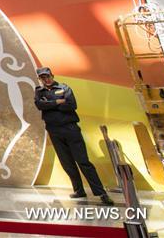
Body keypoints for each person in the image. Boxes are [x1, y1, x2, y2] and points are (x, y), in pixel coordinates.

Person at [34, 67, 114, 205]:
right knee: (67, 163)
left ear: (52, 75)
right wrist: (58, 102)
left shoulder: (64, 88)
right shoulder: (39, 91)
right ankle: (79, 190)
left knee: (83, 162)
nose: (46, 79)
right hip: (54, 131)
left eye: (48, 76)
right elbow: (39, 105)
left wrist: (49, 104)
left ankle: (101, 193)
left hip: (70, 129)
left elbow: (71, 105)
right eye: (43, 78)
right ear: (40, 79)